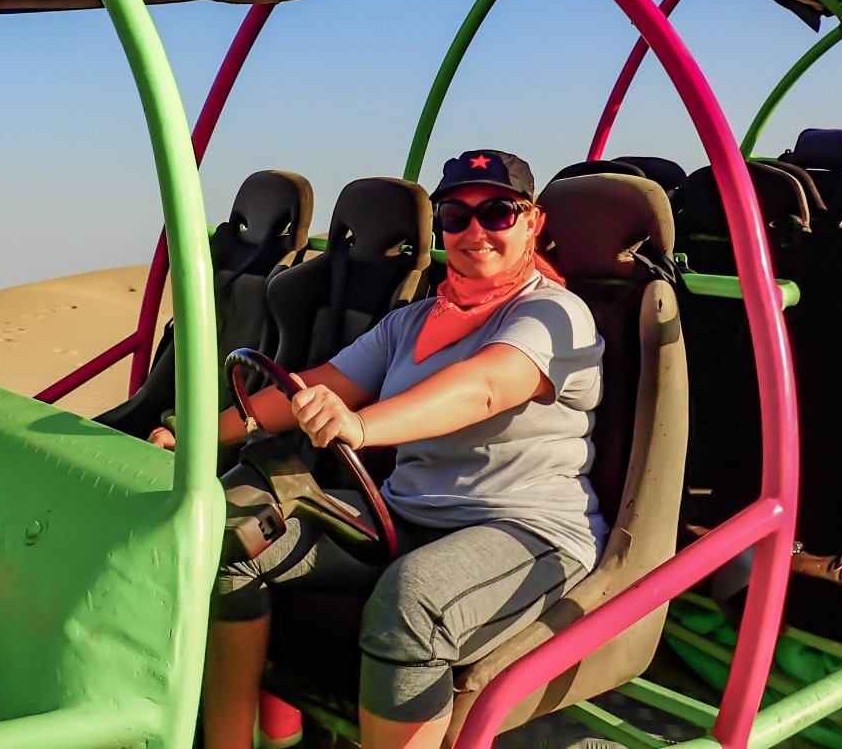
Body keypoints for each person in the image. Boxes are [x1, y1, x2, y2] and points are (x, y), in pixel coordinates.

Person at [152, 149, 606, 749]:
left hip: (526, 527)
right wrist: (192, 436)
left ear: (532, 222)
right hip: (408, 511)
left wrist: (361, 427)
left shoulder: (554, 314)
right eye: (455, 215)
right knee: (231, 529)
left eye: (497, 212)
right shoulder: (414, 322)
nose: (475, 231)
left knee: (413, 600)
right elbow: (311, 386)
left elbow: (487, 386)